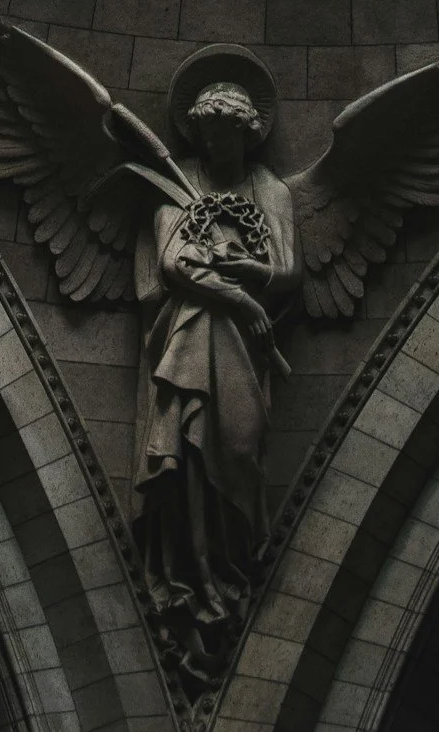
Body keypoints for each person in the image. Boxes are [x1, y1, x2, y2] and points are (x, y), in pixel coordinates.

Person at [132, 63, 297, 686]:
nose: (214, 145)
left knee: (237, 447)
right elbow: (175, 264)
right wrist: (240, 298)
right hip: (191, 335)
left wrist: (251, 276)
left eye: (226, 134)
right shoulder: (173, 187)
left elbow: (288, 270)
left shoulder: (273, 192)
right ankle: (190, 586)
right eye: (206, 134)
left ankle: (228, 570)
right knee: (186, 462)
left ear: (248, 134)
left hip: (247, 351)